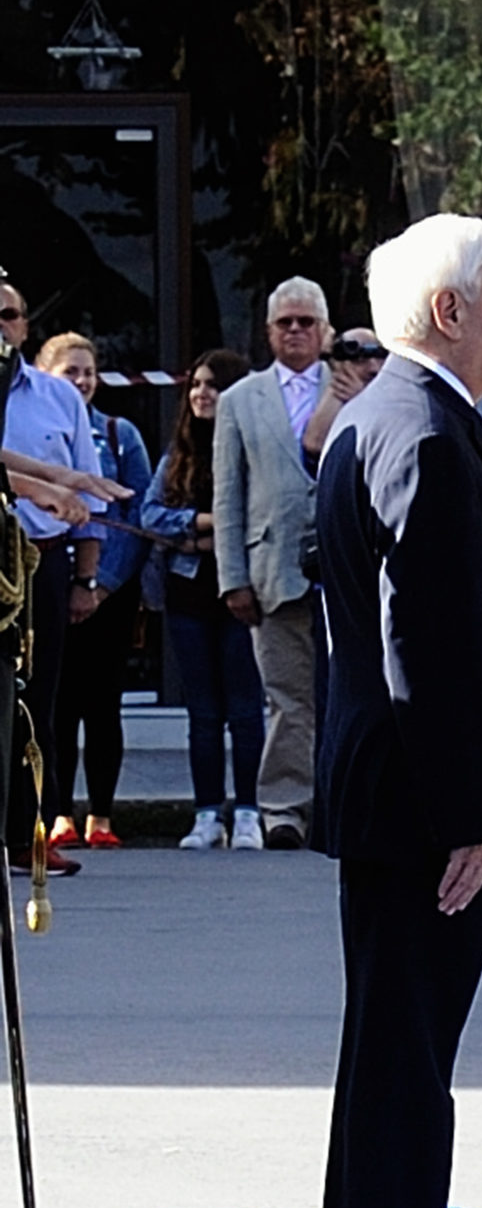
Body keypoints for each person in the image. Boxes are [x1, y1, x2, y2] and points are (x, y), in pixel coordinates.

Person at [317, 213, 482, 1208]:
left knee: (392, 1046)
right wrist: (470, 815)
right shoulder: (425, 432)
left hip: (405, 793)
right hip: (426, 805)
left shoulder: (392, 415)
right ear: (450, 311)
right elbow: (430, 640)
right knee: (407, 1053)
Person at [212, 278, 331, 849]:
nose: (296, 332)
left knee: (356, 693)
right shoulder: (241, 400)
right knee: (288, 698)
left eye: (306, 322)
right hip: (273, 569)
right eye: (285, 323)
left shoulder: (358, 386)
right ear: (267, 332)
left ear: (326, 330)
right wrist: (232, 576)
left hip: (348, 569)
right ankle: (284, 808)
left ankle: (342, 803)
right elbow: (227, 494)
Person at [140, 352, 267, 852]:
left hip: (243, 591)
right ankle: (207, 812)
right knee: (203, 711)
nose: (201, 394)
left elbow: (262, 511)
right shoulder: (179, 453)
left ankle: (252, 810)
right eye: (195, 385)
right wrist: (202, 526)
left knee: (246, 708)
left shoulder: (253, 445)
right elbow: (151, 514)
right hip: (188, 592)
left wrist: (225, 528)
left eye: (213, 386)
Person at [0, 280, 101, 873]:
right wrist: (45, 485)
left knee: (38, 702)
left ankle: (30, 837)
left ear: (25, 325)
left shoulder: (58, 397)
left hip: (37, 562)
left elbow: (86, 486)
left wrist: (86, 579)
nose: (0, 326)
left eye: (8, 315)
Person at [35, 333, 152, 848]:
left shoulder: (118, 432)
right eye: (69, 373)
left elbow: (135, 510)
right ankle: (56, 813)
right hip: (49, 581)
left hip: (108, 592)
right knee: (54, 703)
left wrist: (100, 584)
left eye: (88, 372)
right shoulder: (39, 427)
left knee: (103, 705)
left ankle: (101, 816)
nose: (81, 382)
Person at [301, 328, 386, 466]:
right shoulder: (337, 388)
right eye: (361, 359)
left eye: (379, 357)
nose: (373, 368)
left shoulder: (397, 396)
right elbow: (314, 444)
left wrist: (363, 401)